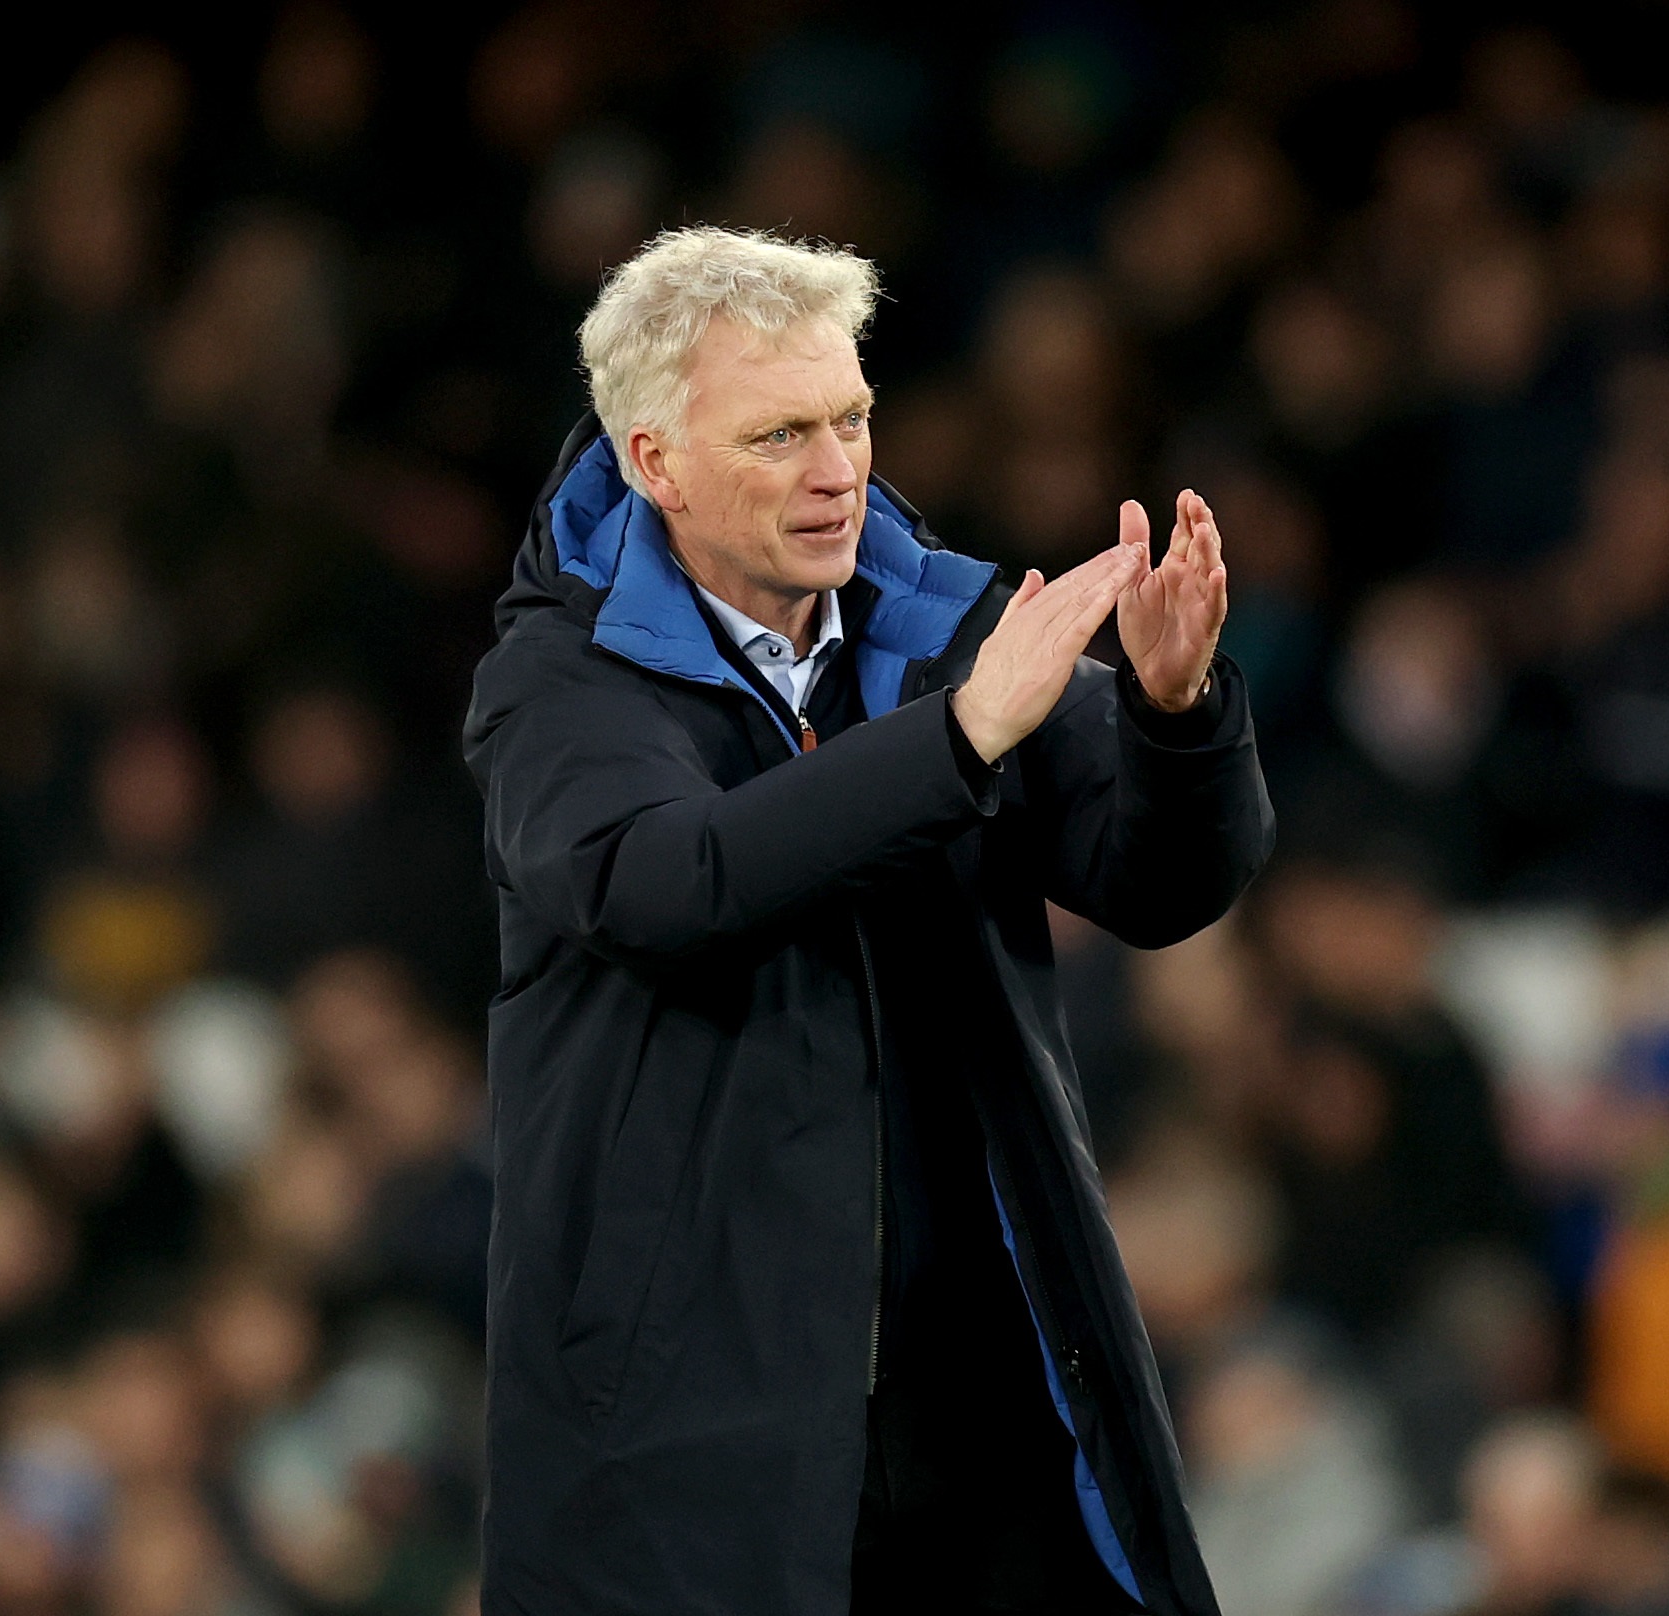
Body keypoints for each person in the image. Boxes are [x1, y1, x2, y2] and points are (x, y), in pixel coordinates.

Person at [462, 227, 1274, 1615]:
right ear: (654, 460)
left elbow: (1160, 886)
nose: (839, 471)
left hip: (989, 1401)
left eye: (851, 417)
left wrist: (1170, 714)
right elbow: (675, 885)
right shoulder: (563, 685)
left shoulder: (935, 625)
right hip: (702, 1436)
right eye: (779, 435)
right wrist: (957, 744)